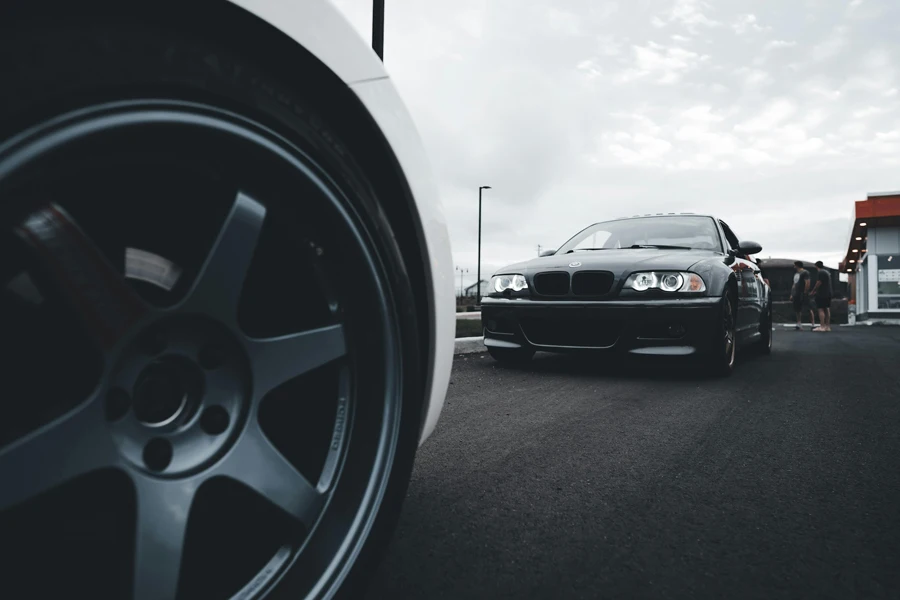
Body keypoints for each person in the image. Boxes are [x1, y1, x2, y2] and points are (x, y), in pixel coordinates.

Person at [790, 260, 815, 330]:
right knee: (797, 309)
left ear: (797, 265)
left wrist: (805, 292)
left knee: (809, 308)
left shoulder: (805, 272)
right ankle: (799, 324)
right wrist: (792, 294)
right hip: (796, 293)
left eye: (794, 265)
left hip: (803, 293)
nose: (794, 266)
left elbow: (807, 282)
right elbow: (794, 284)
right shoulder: (796, 274)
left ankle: (813, 324)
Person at [810, 260, 833, 332]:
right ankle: (827, 326)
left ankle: (822, 326)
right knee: (827, 309)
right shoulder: (827, 272)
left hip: (822, 293)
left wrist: (813, 291)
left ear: (816, 266)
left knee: (820, 309)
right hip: (828, 293)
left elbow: (819, 282)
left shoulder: (820, 272)